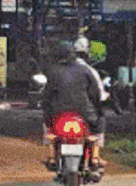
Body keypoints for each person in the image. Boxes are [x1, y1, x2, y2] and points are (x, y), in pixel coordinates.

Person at [40, 40, 105, 170]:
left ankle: (52, 156)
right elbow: (95, 94)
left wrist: (46, 110)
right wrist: (98, 109)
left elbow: (47, 95)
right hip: (85, 113)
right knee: (99, 123)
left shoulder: (53, 72)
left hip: (58, 113)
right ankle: (95, 157)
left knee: (48, 128)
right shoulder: (86, 70)